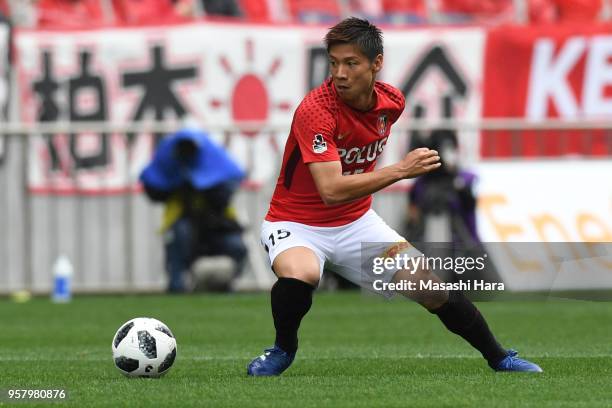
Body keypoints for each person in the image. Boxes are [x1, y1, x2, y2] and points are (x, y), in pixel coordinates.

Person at [247, 17, 542, 376]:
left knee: (430, 288)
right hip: (295, 224)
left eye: (351, 63)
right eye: (334, 63)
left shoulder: (392, 104)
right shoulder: (315, 112)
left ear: (376, 64)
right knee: (302, 272)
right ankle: (282, 349)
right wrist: (400, 170)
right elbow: (331, 190)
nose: (340, 73)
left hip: (357, 224)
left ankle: (500, 358)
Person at [140, 126, 247, 293]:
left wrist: (204, 185)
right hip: (183, 221)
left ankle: (225, 284)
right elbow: (153, 189)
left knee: (236, 246)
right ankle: (177, 288)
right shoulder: (171, 168)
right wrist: (180, 183)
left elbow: (226, 192)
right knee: (179, 237)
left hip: (218, 223)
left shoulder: (215, 164)